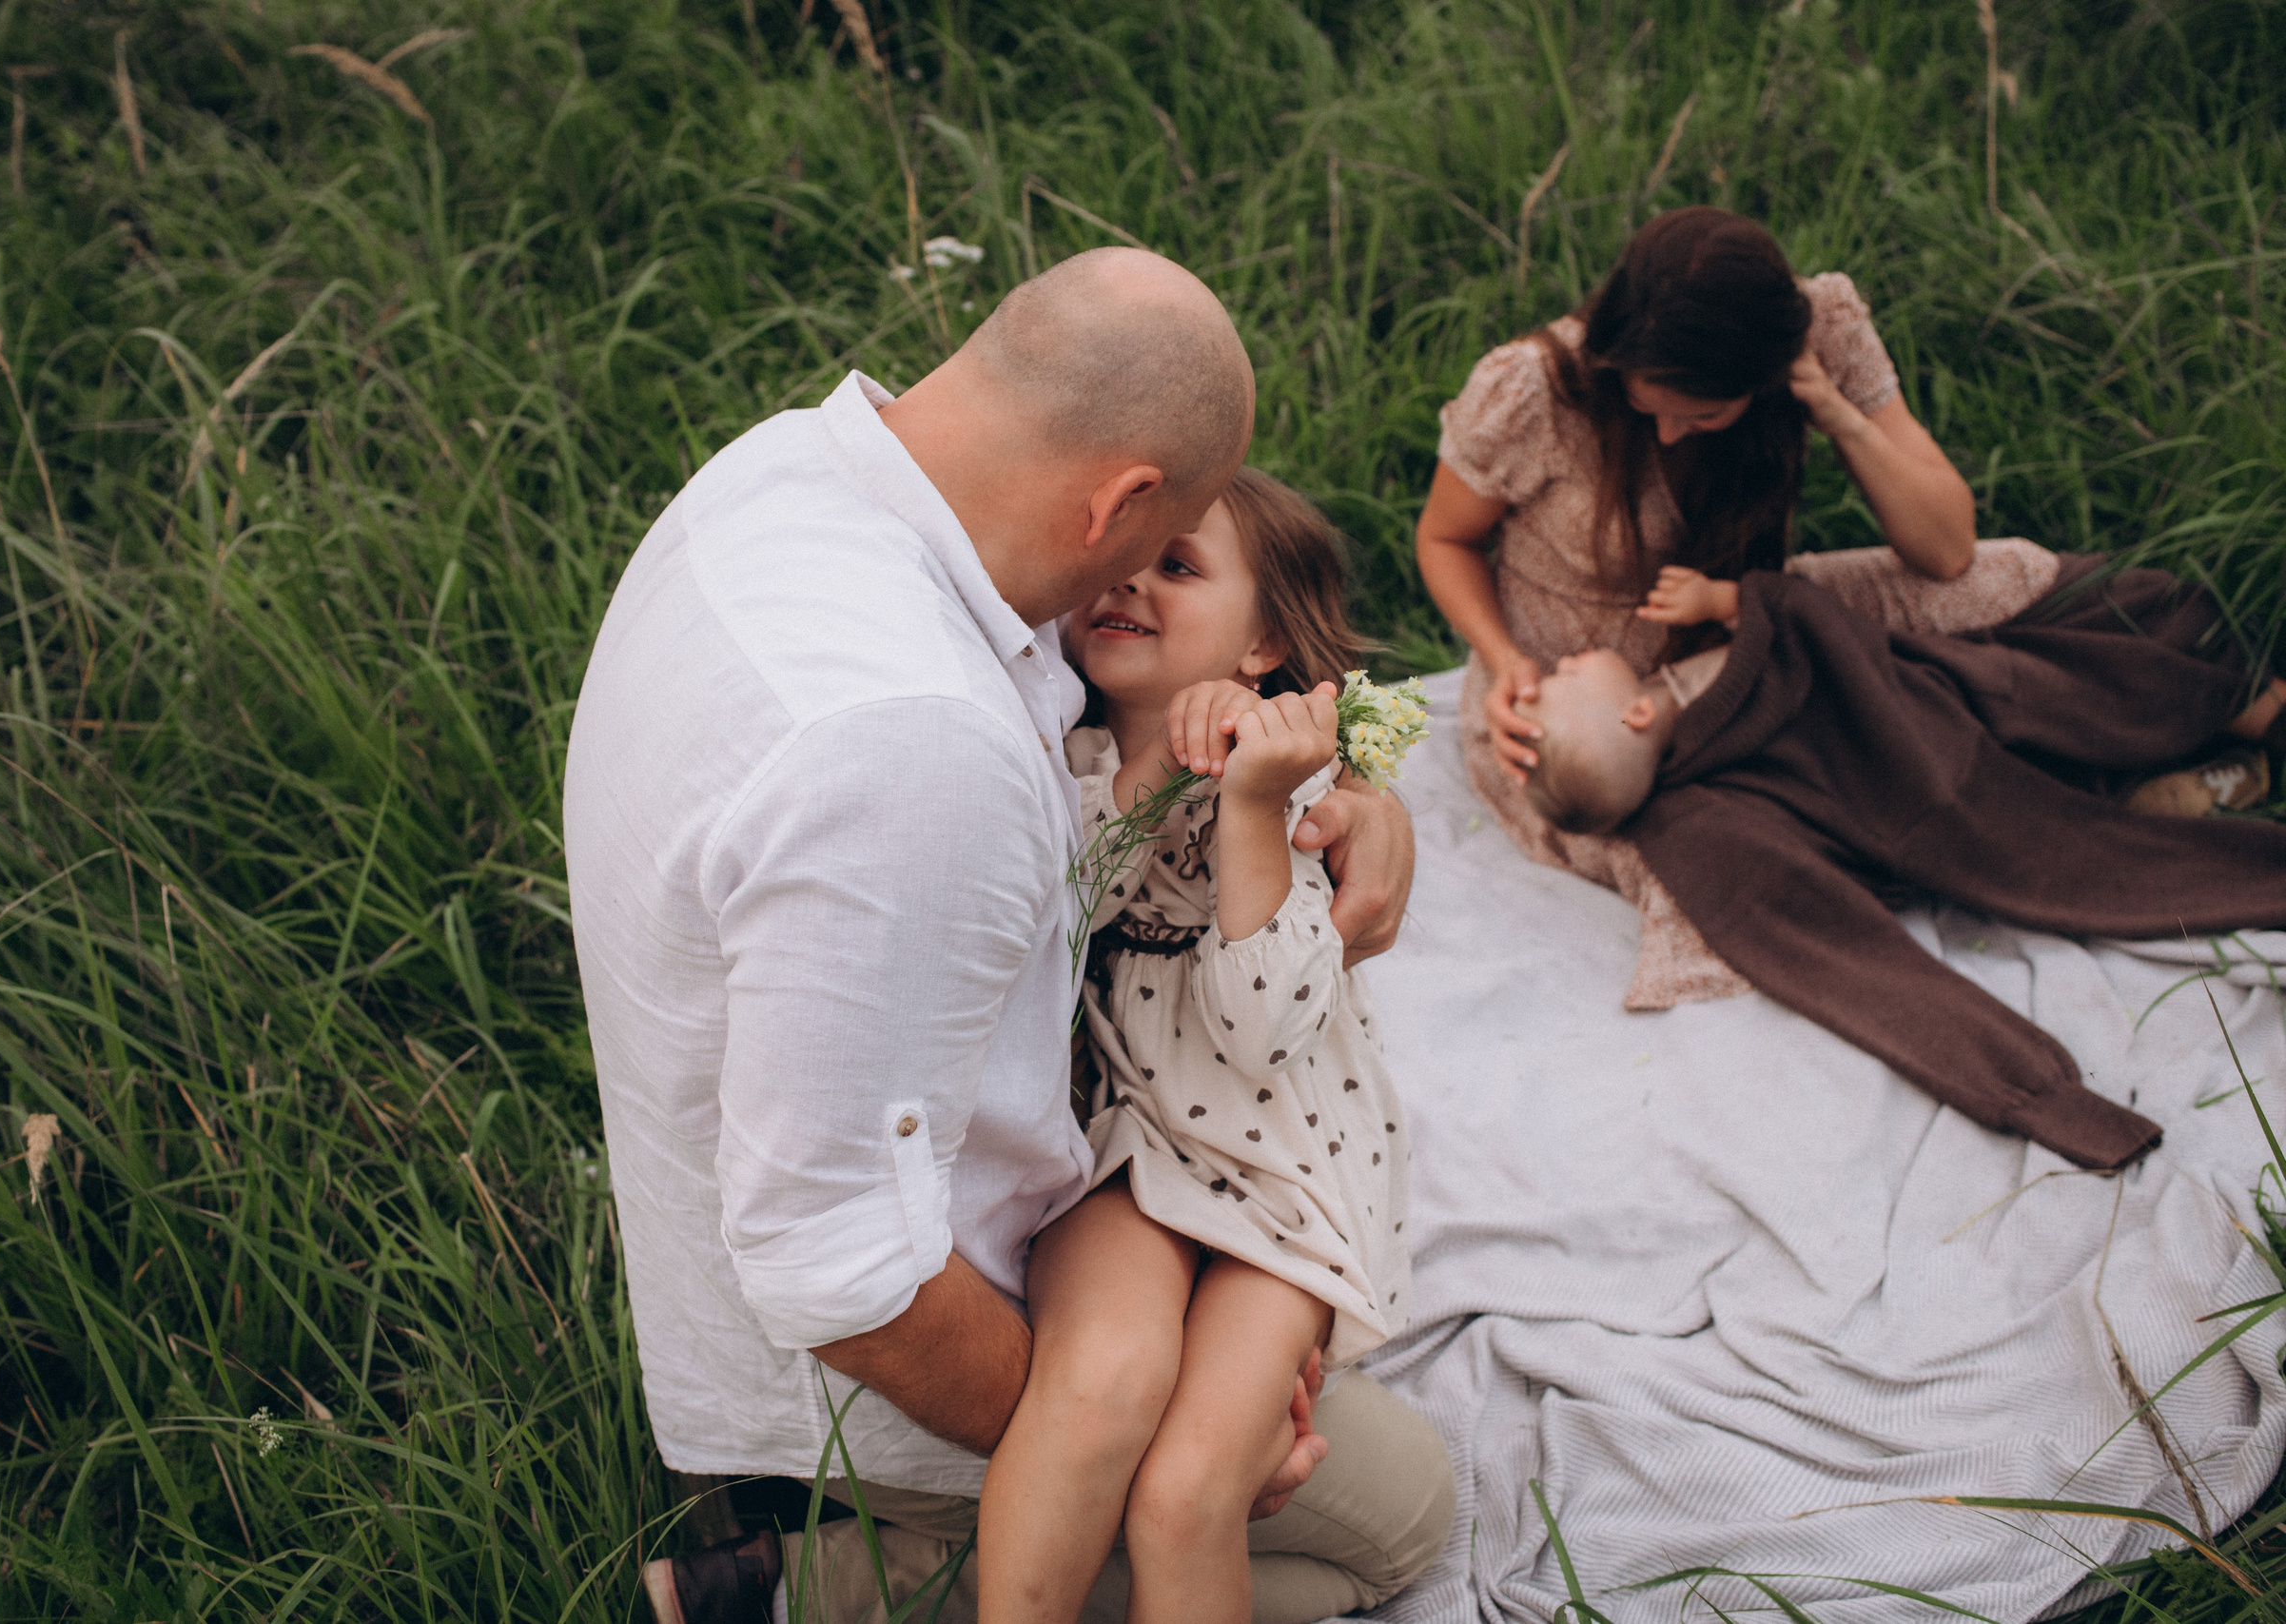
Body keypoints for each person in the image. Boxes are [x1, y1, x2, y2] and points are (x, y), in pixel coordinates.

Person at [563, 246, 1449, 1624]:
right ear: (1116, 499)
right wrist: (1108, 1429)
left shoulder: (792, 474)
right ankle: (822, 1574)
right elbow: (842, 1277)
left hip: (1079, 1179)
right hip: (901, 1354)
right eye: (1150, 542)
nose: (1127, 593)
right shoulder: (911, 747)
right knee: (1389, 1520)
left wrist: (1353, 803)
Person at [977, 471, 1421, 1624]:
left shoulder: (1304, 790)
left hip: (1284, 1176)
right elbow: (1046, 931)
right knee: (1090, 1389)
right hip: (1127, 1147)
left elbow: (1265, 1029)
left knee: (1184, 1494)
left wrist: (1253, 807)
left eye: (1177, 566)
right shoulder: (1048, 761)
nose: (1129, 580)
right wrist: (1146, 778)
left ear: (1265, 635)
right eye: (1117, 558)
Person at [1414, 205, 2044, 1008]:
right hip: (1580, 721)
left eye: (1703, 414)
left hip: (1745, 642)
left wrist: (1835, 410)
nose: (1672, 436)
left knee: (1996, 583)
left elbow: (1947, 548)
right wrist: (1504, 661)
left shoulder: (1824, 334)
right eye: (1651, 408)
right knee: (1717, 852)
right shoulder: (1538, 386)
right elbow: (1445, 540)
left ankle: (2103, 734)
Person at [1513, 562, 2286, 1168]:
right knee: (2087, 851)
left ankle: (2218, 706)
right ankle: (2205, 742)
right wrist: (2039, 1096)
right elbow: (1842, 959)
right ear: (1635, 713)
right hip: (1941, 789)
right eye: (1565, 681)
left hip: (1946, 689)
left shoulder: (1696, 708)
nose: (1561, 665)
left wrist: (1738, 602)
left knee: (2055, 680)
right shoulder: (1696, 827)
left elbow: (1829, 628)